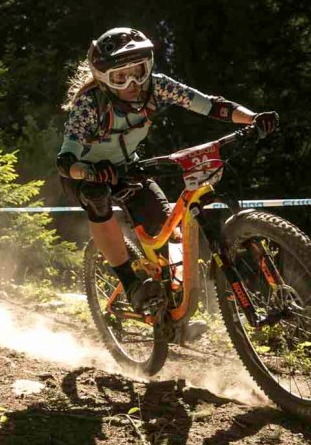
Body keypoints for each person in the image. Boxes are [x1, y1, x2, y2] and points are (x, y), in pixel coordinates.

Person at [58, 27, 278, 315]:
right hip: (85, 175)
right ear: (103, 79)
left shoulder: (157, 87)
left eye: (139, 71)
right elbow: (66, 161)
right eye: (121, 77)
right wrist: (89, 173)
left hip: (127, 168)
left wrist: (253, 119)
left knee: (163, 226)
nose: (134, 83)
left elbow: (211, 106)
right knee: (96, 197)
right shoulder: (90, 103)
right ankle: (131, 284)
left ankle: (173, 308)